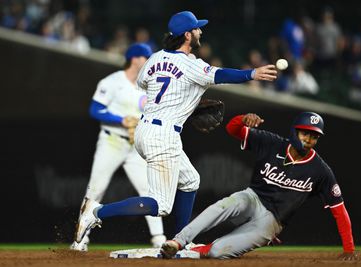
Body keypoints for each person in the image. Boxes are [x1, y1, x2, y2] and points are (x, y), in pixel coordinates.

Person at [73, 10, 278, 246]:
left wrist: (182, 105)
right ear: (188, 35)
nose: (200, 31)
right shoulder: (190, 64)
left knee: (190, 180)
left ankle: (181, 241)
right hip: (163, 135)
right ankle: (96, 212)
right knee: (160, 205)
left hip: (145, 130)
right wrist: (252, 73)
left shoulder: (154, 58)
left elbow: (145, 85)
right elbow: (221, 75)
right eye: (197, 28)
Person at [161, 112, 358, 261]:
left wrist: (349, 249)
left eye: (314, 136)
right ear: (294, 131)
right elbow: (232, 129)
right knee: (228, 204)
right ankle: (179, 241)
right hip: (253, 198)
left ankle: (203, 249)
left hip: (272, 222)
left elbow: (339, 210)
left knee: (217, 253)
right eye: (304, 133)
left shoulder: (320, 170)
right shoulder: (272, 143)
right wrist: (243, 118)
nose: (308, 140)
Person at [70, 43, 166, 251]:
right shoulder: (112, 81)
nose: (149, 62)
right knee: (96, 188)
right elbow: (95, 110)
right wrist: (121, 120)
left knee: (149, 189)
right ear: (135, 59)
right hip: (112, 141)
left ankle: (159, 239)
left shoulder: (149, 85)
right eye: (146, 57)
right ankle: (80, 240)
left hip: (135, 145)